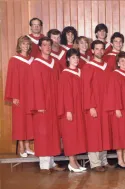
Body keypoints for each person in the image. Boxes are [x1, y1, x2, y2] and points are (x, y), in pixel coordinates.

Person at [28, 37, 64, 174]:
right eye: (44, 45)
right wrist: (39, 104)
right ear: (40, 47)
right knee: (43, 134)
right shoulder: (36, 64)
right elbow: (35, 86)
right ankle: (44, 165)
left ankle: (51, 162)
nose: (48, 47)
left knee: (53, 133)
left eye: (49, 45)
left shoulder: (55, 63)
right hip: (42, 105)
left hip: (54, 103)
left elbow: (60, 84)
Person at [82, 40, 113, 172]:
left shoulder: (107, 66)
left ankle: (103, 160)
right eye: (97, 49)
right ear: (92, 51)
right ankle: (95, 163)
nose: (100, 51)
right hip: (94, 105)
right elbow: (86, 88)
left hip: (105, 105)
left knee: (104, 132)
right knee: (94, 133)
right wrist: (90, 106)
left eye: (102, 49)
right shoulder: (88, 67)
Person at [5, 36, 35, 157]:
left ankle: (28, 146)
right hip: (20, 95)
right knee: (20, 121)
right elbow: (11, 79)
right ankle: (21, 147)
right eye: (23, 44)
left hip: (30, 94)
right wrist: (14, 96)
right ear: (19, 45)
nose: (26, 46)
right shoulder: (14, 60)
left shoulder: (33, 60)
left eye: (27, 44)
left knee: (29, 120)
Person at [58, 48, 87, 172]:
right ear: (68, 59)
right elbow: (65, 94)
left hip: (79, 108)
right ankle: (71, 162)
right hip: (70, 109)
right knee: (70, 135)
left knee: (77, 135)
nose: (76, 60)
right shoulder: (65, 73)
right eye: (73, 57)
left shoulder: (81, 72)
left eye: (77, 57)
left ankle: (75, 162)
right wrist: (68, 110)